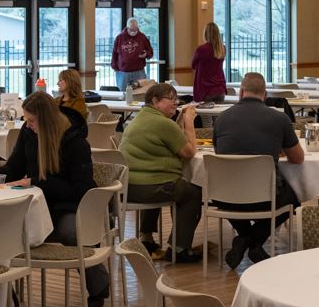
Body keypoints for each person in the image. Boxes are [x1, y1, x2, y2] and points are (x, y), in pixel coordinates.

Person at [3, 89, 105, 307]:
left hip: (72, 206)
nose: (27, 124)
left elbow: (81, 189)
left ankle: (98, 285)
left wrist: (36, 183)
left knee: (71, 231)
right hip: (41, 205)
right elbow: (13, 168)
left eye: (31, 120)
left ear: (46, 121)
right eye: (26, 120)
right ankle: (1, 292)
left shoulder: (76, 143)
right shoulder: (29, 133)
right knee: (3, 226)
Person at [210, 72, 303, 269]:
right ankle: (253, 241)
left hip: (224, 195)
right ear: (265, 94)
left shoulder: (222, 118)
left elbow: (221, 155)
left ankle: (244, 239)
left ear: (241, 92)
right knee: (293, 198)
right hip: (265, 197)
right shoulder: (279, 118)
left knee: (232, 195)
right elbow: (297, 158)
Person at [122, 81, 203, 259]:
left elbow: (172, 143)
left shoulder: (142, 117)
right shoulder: (163, 124)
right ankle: (180, 248)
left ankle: (147, 238)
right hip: (150, 187)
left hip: (129, 186)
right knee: (193, 192)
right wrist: (189, 122)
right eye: (170, 99)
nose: (176, 103)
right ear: (155, 101)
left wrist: (179, 123)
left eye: (177, 99)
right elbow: (189, 152)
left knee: (159, 181)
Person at [110, 18, 153, 92]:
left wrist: (146, 54)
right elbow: (114, 53)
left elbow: (150, 53)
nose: (133, 32)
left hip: (139, 71)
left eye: (135, 30)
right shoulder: (120, 37)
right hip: (123, 72)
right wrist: (114, 67)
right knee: (123, 93)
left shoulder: (142, 37)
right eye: (131, 30)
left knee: (140, 93)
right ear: (127, 27)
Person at [190, 22, 227, 104]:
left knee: (205, 116)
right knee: (217, 116)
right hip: (220, 89)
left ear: (206, 34)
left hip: (205, 89)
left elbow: (193, 65)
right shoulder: (222, 49)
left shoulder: (201, 49)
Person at [54, 68, 91, 137]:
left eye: (60, 80)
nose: (57, 83)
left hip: (69, 138)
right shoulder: (56, 100)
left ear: (69, 82)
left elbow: (75, 125)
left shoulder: (78, 103)